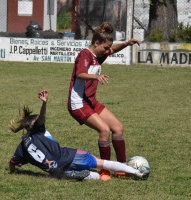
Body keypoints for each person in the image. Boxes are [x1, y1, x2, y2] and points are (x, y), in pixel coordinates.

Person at [8, 90, 149, 181]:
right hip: (70, 155)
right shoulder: (39, 131)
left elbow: (12, 163)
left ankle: (87, 175)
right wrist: (44, 104)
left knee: (96, 176)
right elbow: (42, 118)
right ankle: (136, 172)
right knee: (103, 163)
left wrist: (12, 171)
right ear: (35, 125)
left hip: (57, 171)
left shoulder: (22, 148)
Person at [67, 22, 140, 180]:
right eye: (105, 48)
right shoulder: (85, 55)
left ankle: (122, 168)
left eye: (109, 48)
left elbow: (114, 49)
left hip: (91, 101)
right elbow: (80, 73)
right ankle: (105, 170)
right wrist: (96, 76)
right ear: (96, 43)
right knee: (104, 130)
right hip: (78, 103)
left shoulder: (98, 55)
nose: (108, 51)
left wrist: (127, 43)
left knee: (118, 128)